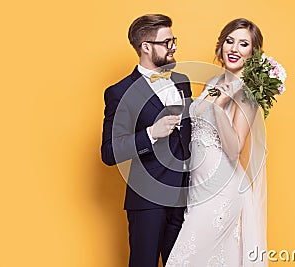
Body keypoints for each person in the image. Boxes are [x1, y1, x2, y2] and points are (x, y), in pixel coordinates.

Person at [166, 18, 268, 266]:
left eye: (243, 44)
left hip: (221, 191)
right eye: (229, 41)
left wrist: (221, 108)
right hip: (198, 189)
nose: (234, 49)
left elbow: (235, 149)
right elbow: (199, 118)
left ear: (252, 53)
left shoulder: (246, 93)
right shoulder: (214, 82)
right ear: (221, 45)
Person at [101, 14, 192, 267]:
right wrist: (151, 133)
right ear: (146, 47)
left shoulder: (182, 82)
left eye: (173, 40)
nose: (173, 47)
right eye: (166, 42)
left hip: (186, 198)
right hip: (148, 202)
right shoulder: (119, 93)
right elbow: (109, 152)